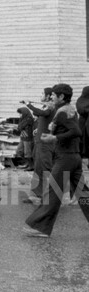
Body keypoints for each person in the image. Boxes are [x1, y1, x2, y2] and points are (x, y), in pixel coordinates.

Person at [24, 84, 89, 238]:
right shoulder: (69, 109)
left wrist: (54, 137)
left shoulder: (62, 112)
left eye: (53, 95)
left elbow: (76, 131)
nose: (51, 97)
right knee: (82, 192)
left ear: (61, 97)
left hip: (65, 159)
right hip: (74, 157)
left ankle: (41, 227)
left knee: (52, 192)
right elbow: (69, 129)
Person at [25, 88, 56, 204]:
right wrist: (38, 130)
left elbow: (43, 113)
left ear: (48, 96)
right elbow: (43, 117)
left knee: (47, 167)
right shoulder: (46, 106)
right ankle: (36, 195)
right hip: (39, 140)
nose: (41, 95)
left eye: (43, 93)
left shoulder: (51, 106)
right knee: (38, 168)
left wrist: (29, 105)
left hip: (45, 143)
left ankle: (56, 194)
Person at [16, 104, 35, 171]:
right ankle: (27, 164)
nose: (19, 115)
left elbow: (20, 127)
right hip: (23, 137)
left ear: (24, 113)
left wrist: (19, 127)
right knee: (19, 151)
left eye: (20, 113)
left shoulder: (29, 119)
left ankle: (31, 166)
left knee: (28, 153)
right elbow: (19, 127)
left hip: (28, 138)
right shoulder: (23, 119)